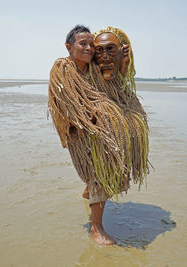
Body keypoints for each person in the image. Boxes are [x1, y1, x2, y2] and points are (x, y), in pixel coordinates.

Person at [48, 25, 149, 246]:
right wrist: (99, 117)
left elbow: (112, 87)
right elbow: (71, 105)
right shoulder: (63, 69)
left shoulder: (92, 69)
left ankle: (88, 192)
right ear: (69, 47)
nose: (89, 49)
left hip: (96, 129)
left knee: (102, 170)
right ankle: (96, 228)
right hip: (80, 131)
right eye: (82, 44)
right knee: (101, 173)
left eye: (90, 45)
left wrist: (121, 63)